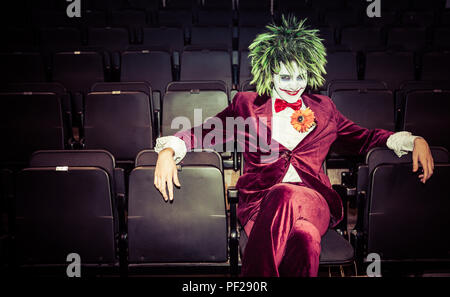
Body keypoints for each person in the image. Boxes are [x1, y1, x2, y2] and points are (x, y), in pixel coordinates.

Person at [153, 16, 434, 277]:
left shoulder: (325, 109)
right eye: (284, 76)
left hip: (314, 201)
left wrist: (413, 140)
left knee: (287, 193)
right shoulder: (246, 104)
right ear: (269, 73)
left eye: (300, 77)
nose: (293, 85)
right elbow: (206, 132)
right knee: (306, 240)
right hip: (259, 206)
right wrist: (169, 149)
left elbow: (366, 137)